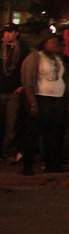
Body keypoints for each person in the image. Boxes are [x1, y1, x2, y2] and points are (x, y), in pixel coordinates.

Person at [21, 30, 69, 175]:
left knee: (53, 133)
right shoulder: (35, 57)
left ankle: (51, 163)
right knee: (34, 132)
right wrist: (32, 103)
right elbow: (28, 81)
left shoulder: (58, 58)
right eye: (52, 41)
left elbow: (64, 79)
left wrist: (67, 101)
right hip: (41, 98)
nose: (56, 44)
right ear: (44, 44)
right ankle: (28, 164)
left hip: (57, 98)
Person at [1, 23, 29, 163]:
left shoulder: (23, 49)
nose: (7, 35)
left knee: (11, 124)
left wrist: (23, 85)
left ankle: (8, 151)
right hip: (1, 89)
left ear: (16, 33)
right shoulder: (1, 48)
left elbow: (26, 67)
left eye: (10, 32)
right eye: (5, 32)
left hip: (14, 91)